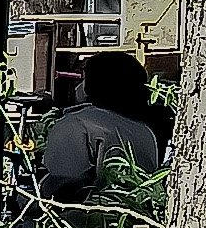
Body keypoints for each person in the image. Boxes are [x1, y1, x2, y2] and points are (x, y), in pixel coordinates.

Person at [41, 49, 168, 197]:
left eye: (83, 78)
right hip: (134, 215)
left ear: (94, 84)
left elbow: (62, 189)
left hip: (89, 216)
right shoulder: (145, 131)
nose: (78, 85)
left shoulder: (76, 124)